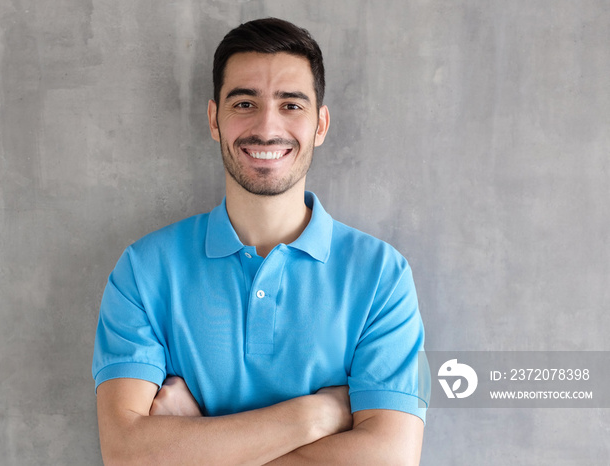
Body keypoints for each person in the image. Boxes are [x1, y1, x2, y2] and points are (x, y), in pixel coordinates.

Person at [92, 17, 429, 465]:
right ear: (215, 119)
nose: (267, 127)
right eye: (245, 103)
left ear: (320, 125)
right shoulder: (142, 270)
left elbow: (390, 458)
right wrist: (316, 414)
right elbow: (126, 453)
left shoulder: (384, 276)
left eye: (291, 105)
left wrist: (192, 445)